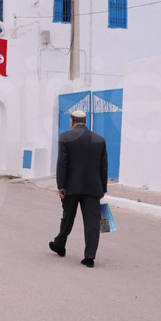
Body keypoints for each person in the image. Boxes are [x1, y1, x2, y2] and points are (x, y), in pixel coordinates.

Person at [49, 110, 108, 268]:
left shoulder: (66, 137)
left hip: (71, 187)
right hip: (93, 188)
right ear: (85, 121)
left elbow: (62, 163)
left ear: (72, 121)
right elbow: (104, 166)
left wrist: (61, 186)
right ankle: (89, 257)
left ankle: (60, 246)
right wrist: (103, 188)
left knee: (68, 218)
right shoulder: (99, 139)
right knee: (92, 223)